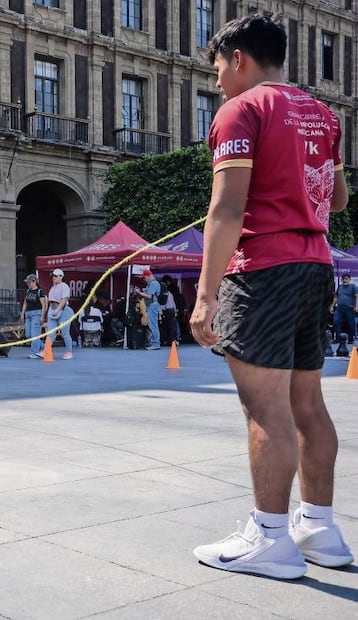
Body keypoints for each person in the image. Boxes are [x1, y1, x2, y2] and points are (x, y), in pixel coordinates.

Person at [190, 15, 353, 580]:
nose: (215, 82)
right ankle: (321, 527)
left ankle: (269, 536)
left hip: (262, 269)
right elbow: (336, 202)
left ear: (239, 58)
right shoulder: (323, 114)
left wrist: (206, 295)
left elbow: (227, 209)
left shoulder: (242, 109)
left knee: (266, 408)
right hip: (316, 265)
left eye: (217, 69)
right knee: (309, 406)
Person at [45, 268, 74, 359]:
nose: (53, 278)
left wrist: (57, 309)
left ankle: (69, 352)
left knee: (65, 332)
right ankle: (46, 350)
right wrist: (50, 312)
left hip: (63, 310)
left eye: (55, 276)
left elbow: (64, 299)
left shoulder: (64, 286)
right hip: (52, 310)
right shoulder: (53, 288)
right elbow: (51, 301)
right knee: (51, 332)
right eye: (53, 276)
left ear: (61, 277)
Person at [21, 274, 47, 359]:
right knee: (28, 335)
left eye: (29, 282)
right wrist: (22, 313)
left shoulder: (40, 291)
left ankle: (34, 352)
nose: (28, 284)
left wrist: (42, 316)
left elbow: (43, 305)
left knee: (35, 334)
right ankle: (44, 347)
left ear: (34, 281)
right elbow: (25, 302)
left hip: (36, 313)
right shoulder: (28, 291)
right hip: (28, 314)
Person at [135, 270, 161, 350]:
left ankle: (155, 344)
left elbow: (149, 296)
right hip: (153, 305)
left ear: (148, 276)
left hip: (152, 305)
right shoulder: (153, 283)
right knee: (152, 324)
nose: (144, 279)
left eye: (144, 277)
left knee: (153, 325)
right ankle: (154, 343)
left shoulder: (153, 284)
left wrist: (139, 292)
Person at [332, 273, 357, 356]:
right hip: (339, 308)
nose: (344, 280)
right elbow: (336, 297)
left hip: (349, 308)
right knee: (336, 321)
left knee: (351, 323)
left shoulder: (353, 287)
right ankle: (338, 338)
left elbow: (357, 296)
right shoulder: (340, 287)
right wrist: (332, 306)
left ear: (349, 279)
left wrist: (357, 306)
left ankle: (351, 338)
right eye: (343, 279)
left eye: (346, 279)